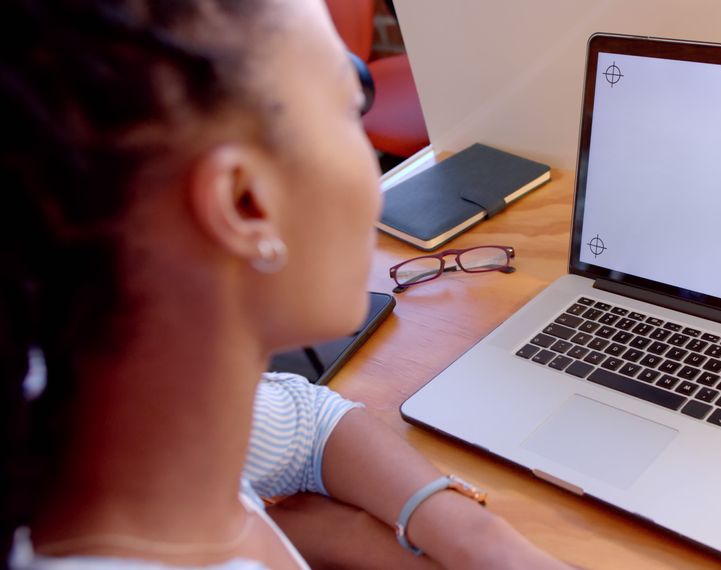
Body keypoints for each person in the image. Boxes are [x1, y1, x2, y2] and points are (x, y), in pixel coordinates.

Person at [0, 1, 570, 568]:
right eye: (349, 109)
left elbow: (305, 425)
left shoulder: (103, 408)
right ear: (245, 203)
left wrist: (474, 541)